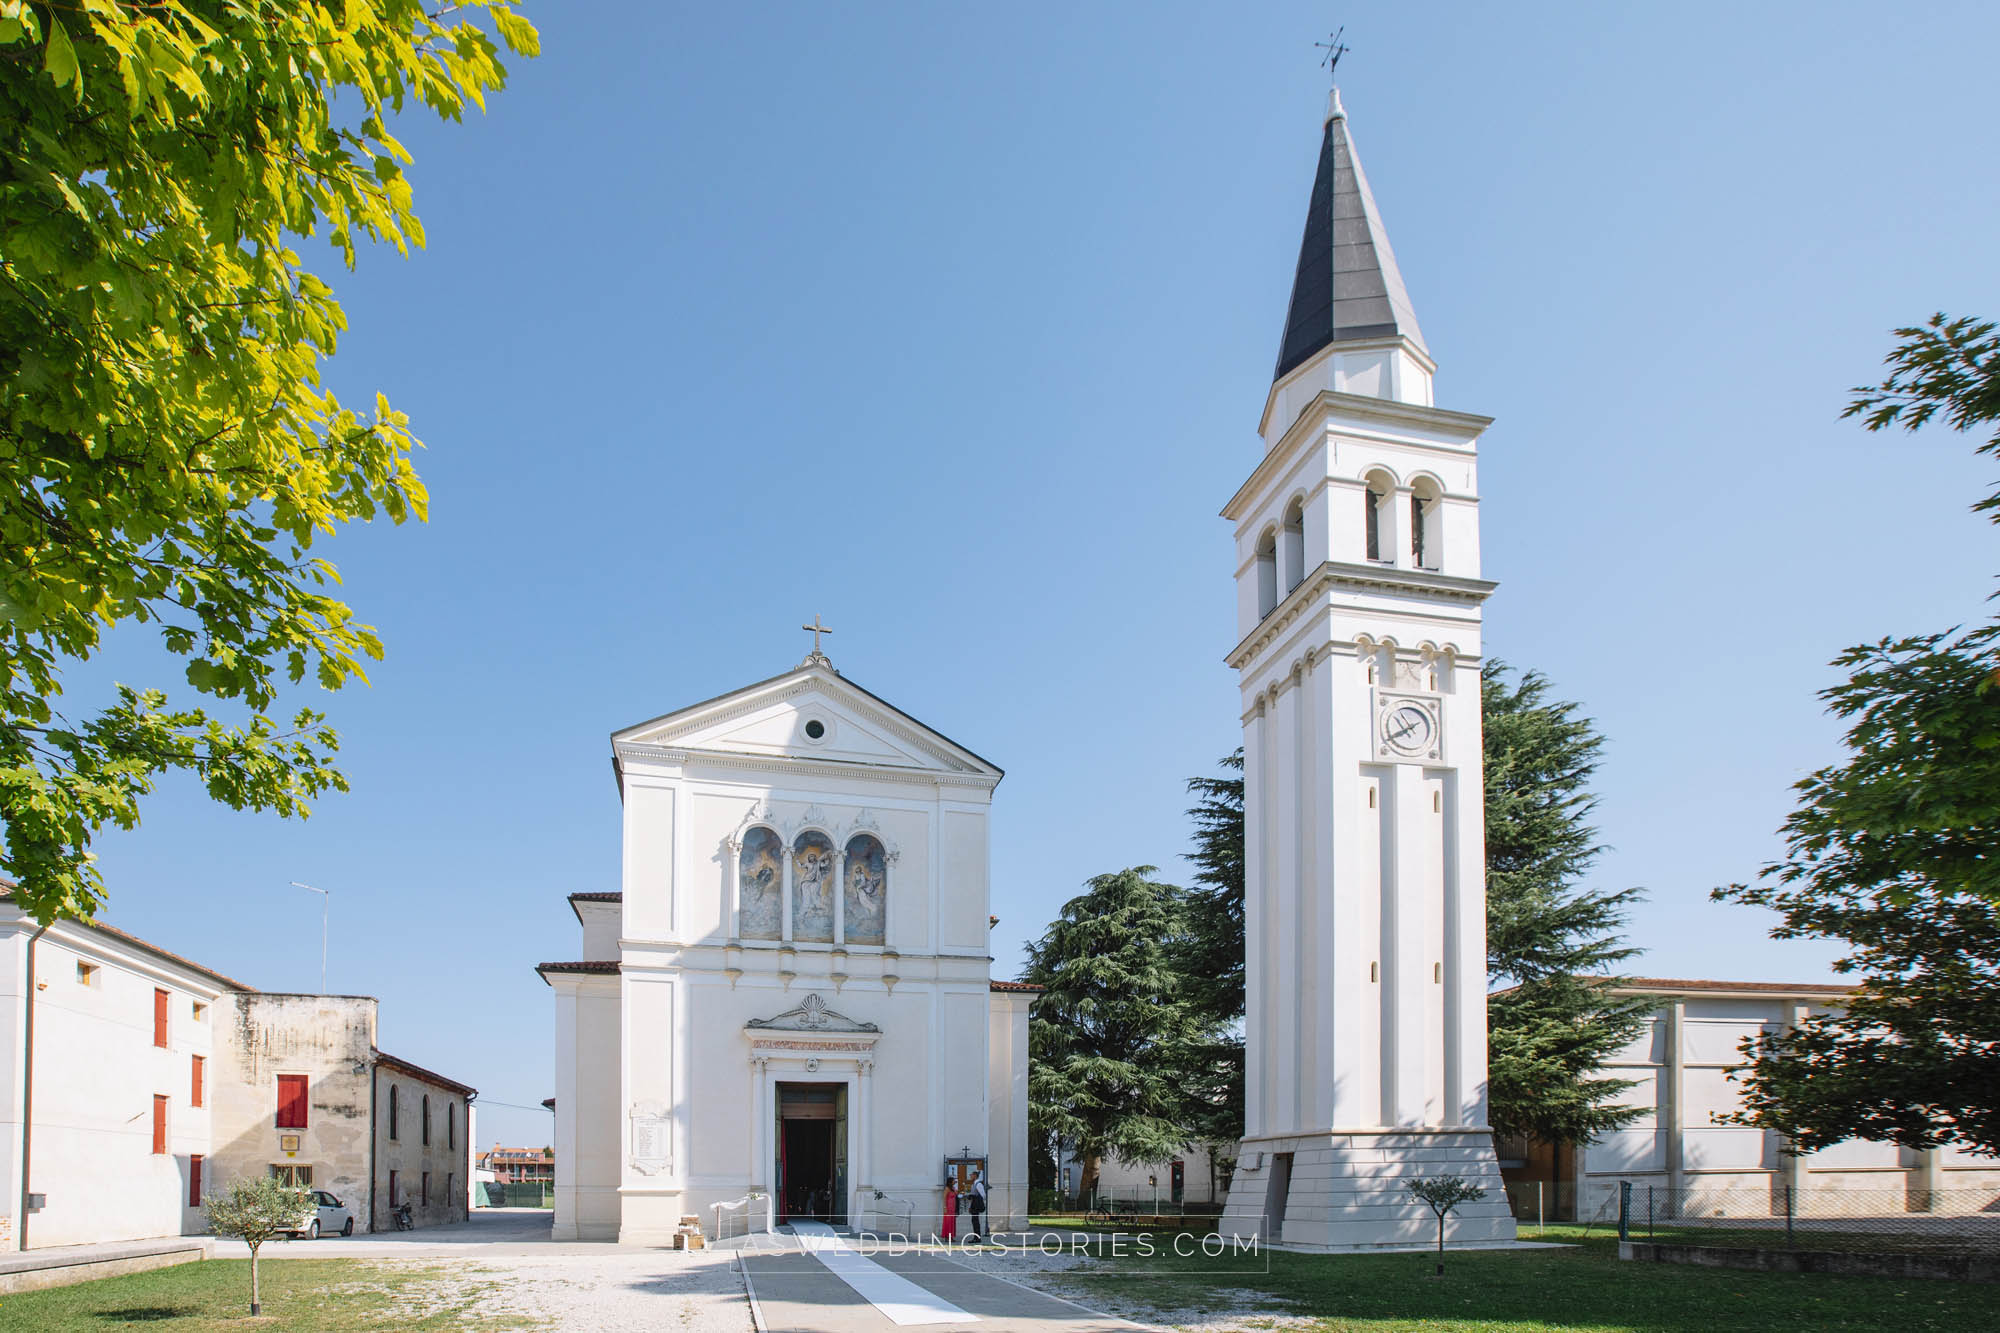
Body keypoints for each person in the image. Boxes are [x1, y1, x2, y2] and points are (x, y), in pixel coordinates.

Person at [966, 1169, 987, 1242]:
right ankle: (976, 1237)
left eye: (971, 1175)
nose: (970, 1176)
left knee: (976, 1222)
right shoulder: (974, 1184)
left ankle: (977, 1238)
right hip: (974, 1206)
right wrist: (970, 1206)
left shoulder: (978, 1184)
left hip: (976, 1206)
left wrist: (975, 1197)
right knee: (974, 1222)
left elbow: (983, 1195)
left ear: (975, 1175)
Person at [940, 1179, 958, 1243]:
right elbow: (944, 1198)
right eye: (953, 1180)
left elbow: (956, 1193)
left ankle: (951, 1236)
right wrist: (945, 1207)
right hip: (948, 1207)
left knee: (952, 1222)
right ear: (950, 1181)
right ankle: (947, 1237)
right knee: (948, 1222)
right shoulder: (947, 1188)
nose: (954, 1181)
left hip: (953, 1207)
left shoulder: (953, 1188)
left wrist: (955, 1186)